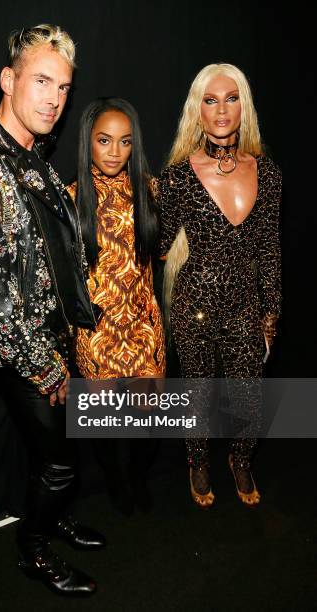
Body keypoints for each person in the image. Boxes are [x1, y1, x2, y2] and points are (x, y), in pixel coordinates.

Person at [0, 24, 105, 596]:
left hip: (57, 339)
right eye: (41, 81)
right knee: (59, 463)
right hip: (26, 352)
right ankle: (32, 547)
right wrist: (43, 365)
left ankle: (51, 521)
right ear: (8, 80)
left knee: (62, 453)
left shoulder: (33, 156)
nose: (54, 98)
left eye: (63, 86)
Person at [158, 63, 281, 508]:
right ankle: (198, 460)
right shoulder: (178, 175)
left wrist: (271, 313)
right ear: (198, 111)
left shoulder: (267, 173)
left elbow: (269, 247)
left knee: (249, 400)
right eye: (210, 100)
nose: (222, 109)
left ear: (243, 106)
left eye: (231, 98)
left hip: (246, 307)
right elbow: (159, 244)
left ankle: (241, 459)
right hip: (193, 305)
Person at [67, 98, 166, 513]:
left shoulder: (150, 189)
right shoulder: (69, 199)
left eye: (125, 142)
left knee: (150, 425)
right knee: (106, 430)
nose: (114, 152)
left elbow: (166, 257)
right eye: (104, 140)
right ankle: (116, 480)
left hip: (144, 326)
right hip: (97, 332)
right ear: (88, 141)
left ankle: (136, 477)